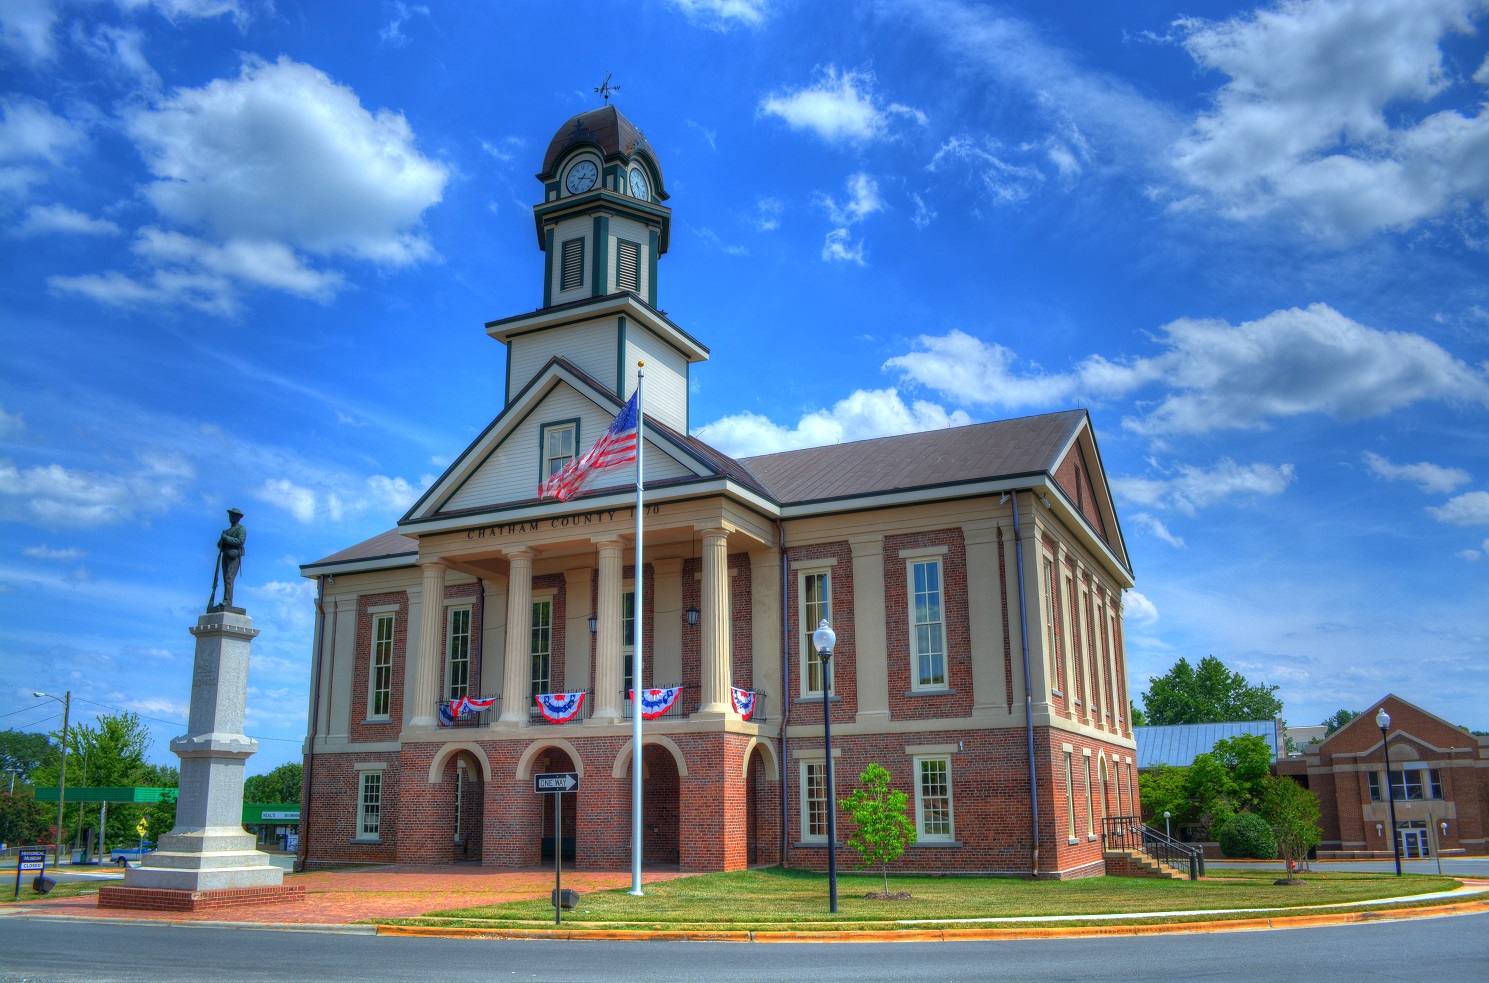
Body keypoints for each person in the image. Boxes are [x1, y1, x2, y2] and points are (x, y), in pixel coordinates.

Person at [217, 508, 247, 608]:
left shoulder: (241, 529)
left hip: (234, 555)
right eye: (230, 516)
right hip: (226, 554)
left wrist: (226, 538)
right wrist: (222, 540)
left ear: (238, 518)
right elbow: (219, 544)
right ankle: (226, 600)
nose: (231, 518)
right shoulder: (227, 531)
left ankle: (227, 601)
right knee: (226, 578)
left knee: (229, 578)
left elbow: (240, 541)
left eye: (234, 516)